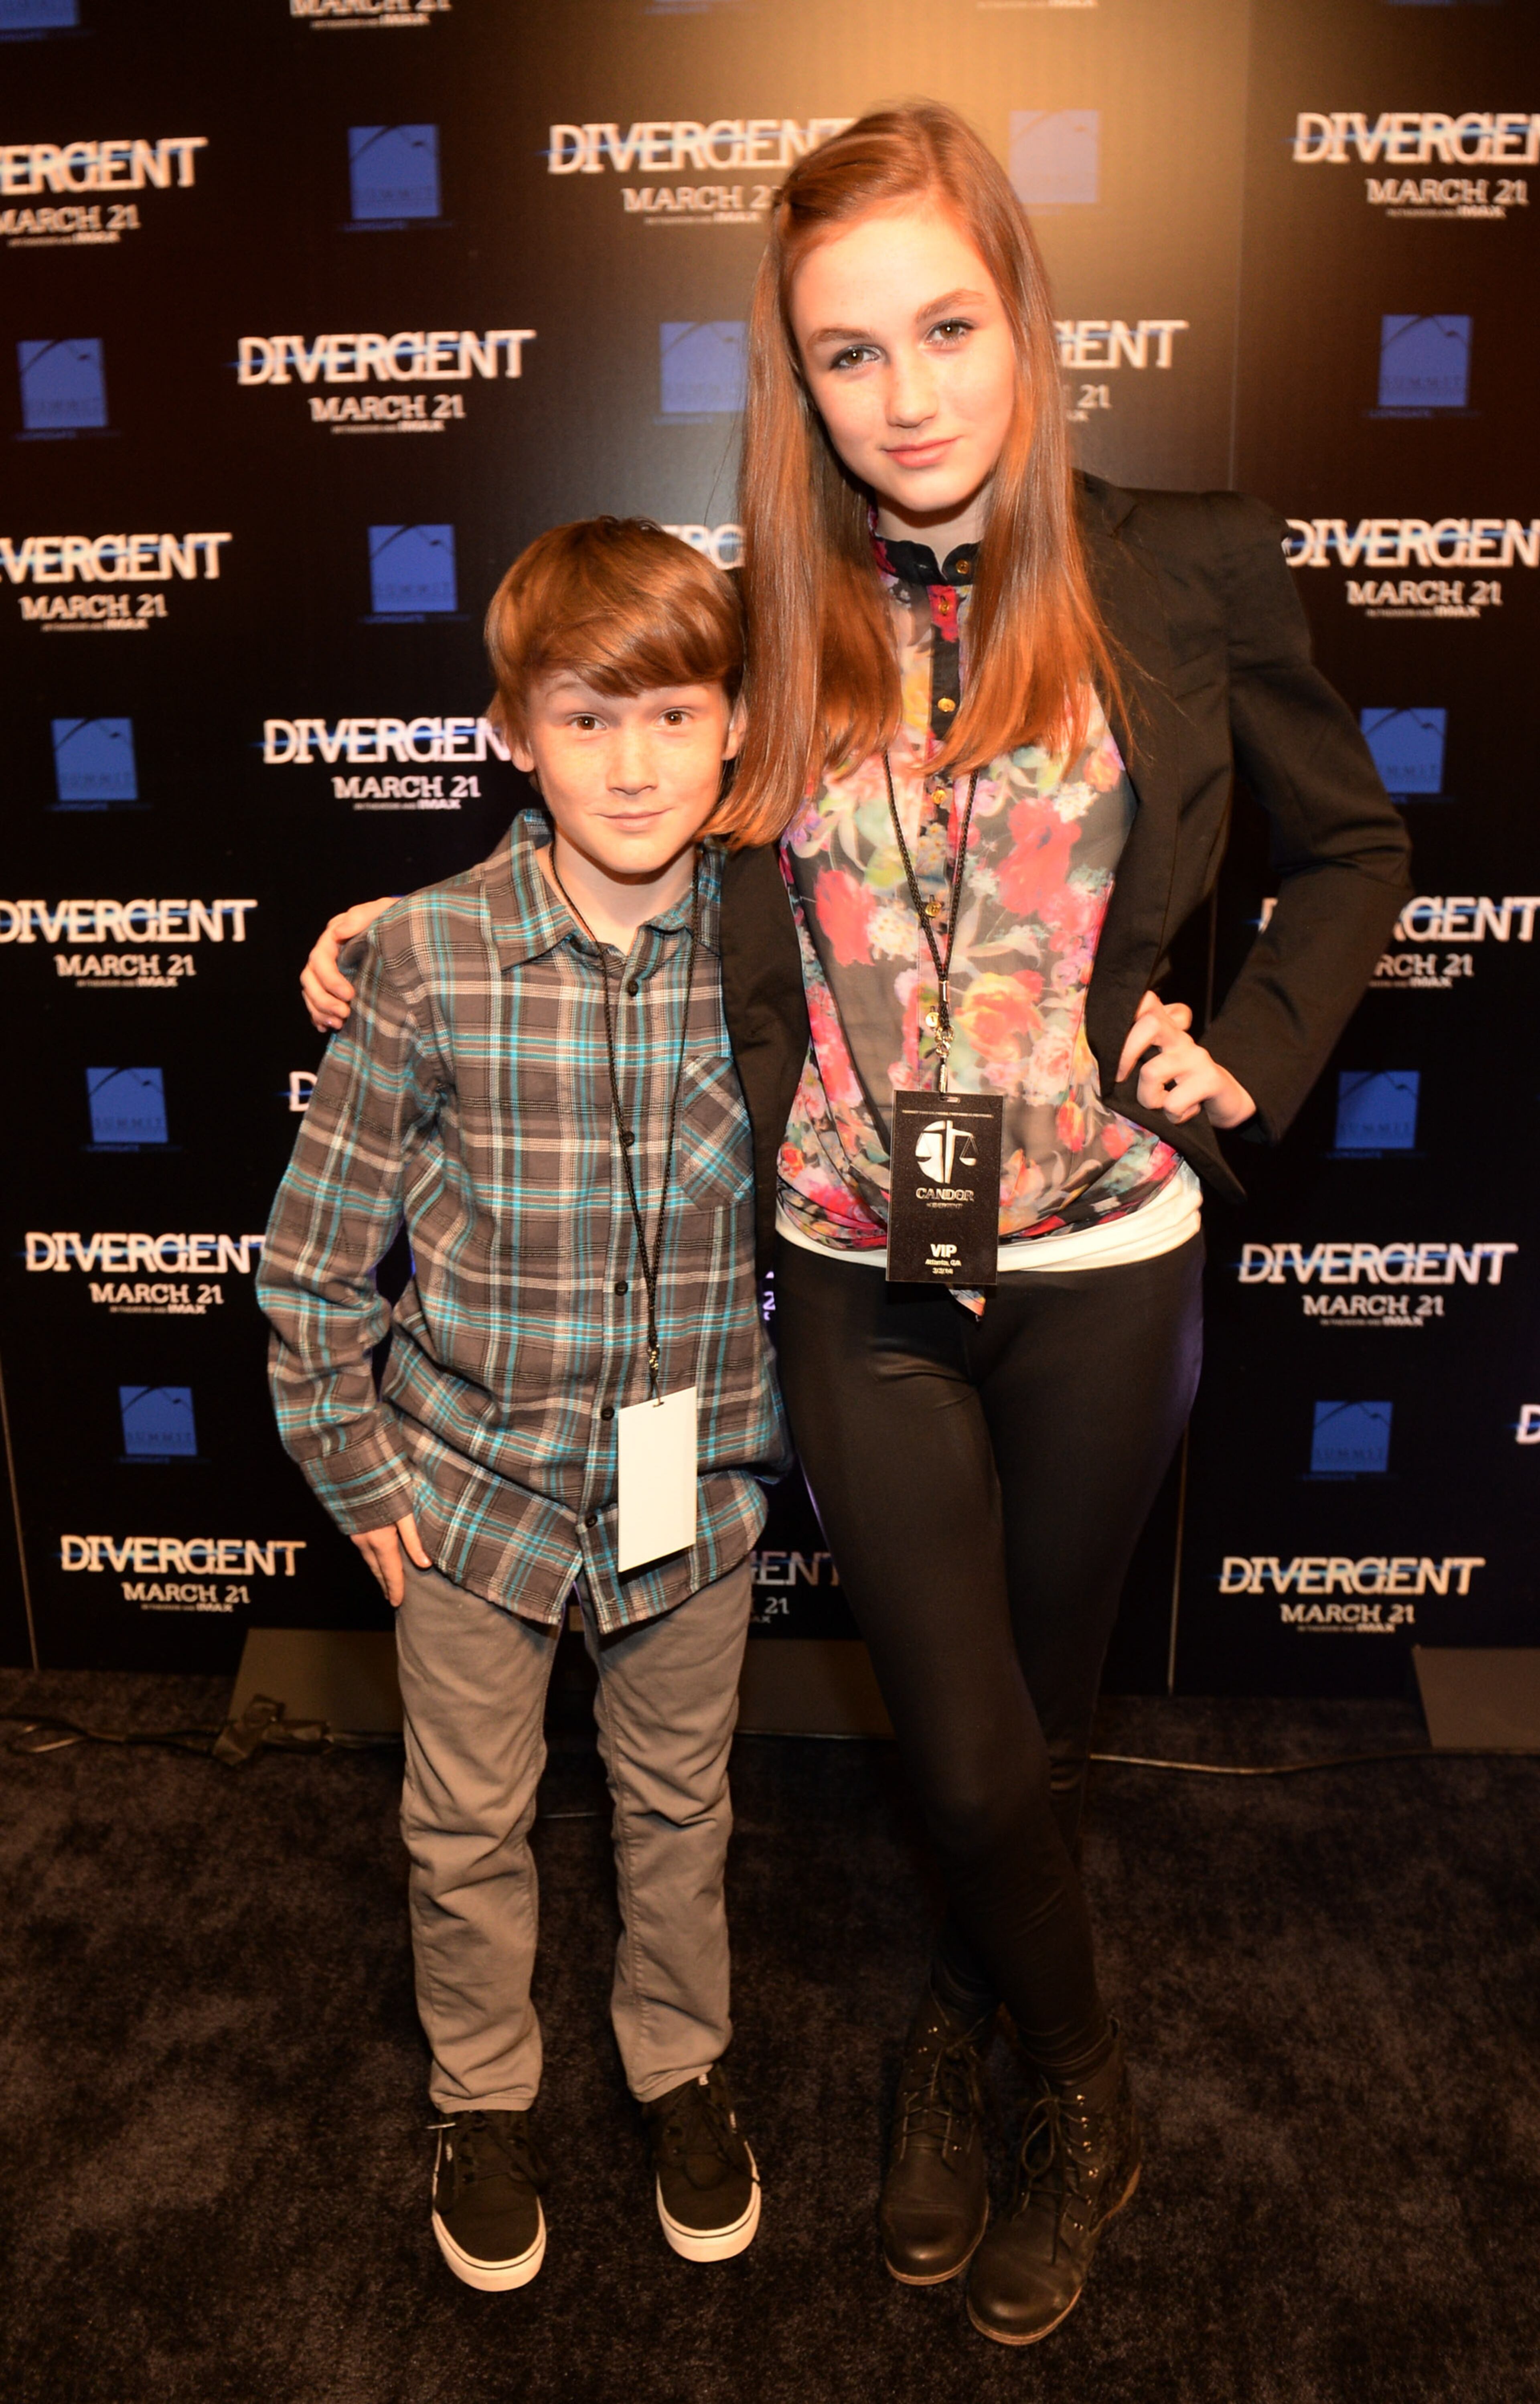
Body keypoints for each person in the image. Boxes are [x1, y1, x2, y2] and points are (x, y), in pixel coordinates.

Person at [299, 105, 1411, 2346]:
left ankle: (967, 2020)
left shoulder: (1192, 564)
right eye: (847, 352)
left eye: (946, 328)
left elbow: (1355, 845)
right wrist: (394, 931)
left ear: (1026, 319)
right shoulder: (774, 614)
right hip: (845, 1272)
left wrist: (1253, 1048)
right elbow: (614, 802)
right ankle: (1086, 2083)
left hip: (1105, 1263)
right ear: (795, 377)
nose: (905, 394)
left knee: (1041, 1717)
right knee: (963, 1736)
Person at [260, 519, 789, 2293]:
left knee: (681, 1805)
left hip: (690, 1480)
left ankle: (681, 2065)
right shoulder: (427, 955)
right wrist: (358, 1471)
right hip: (471, 1488)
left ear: (737, 725)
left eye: (675, 715)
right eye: (585, 719)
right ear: (512, 733)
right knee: (466, 1821)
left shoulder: (782, 945)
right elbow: (315, 1258)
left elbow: (963, 948)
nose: (633, 765)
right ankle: (480, 2098)